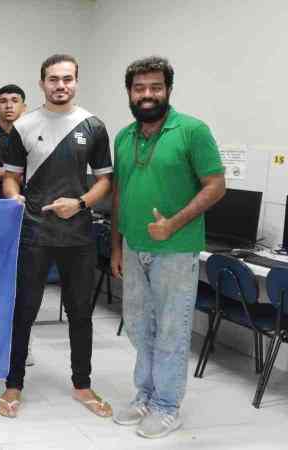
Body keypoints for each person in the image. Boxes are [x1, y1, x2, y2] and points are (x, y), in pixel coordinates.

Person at [110, 56, 225, 439]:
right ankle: (144, 394)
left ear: (168, 90)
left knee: (172, 330)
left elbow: (216, 185)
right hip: (133, 246)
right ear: (129, 92)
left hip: (175, 249)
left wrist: (172, 224)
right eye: (139, 88)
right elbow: (120, 195)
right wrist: (116, 246)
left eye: (155, 87)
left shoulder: (192, 130)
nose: (147, 95)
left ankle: (166, 405)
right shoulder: (124, 136)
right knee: (141, 327)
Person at [0, 55, 114, 419]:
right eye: (53, 79)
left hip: (78, 236)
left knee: (81, 313)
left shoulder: (93, 125)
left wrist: (79, 203)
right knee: (24, 312)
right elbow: (12, 176)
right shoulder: (24, 125)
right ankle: (13, 385)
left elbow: (106, 181)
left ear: (76, 81)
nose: (60, 85)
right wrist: (12, 194)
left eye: (67, 79)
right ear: (42, 83)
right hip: (34, 233)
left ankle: (82, 385)